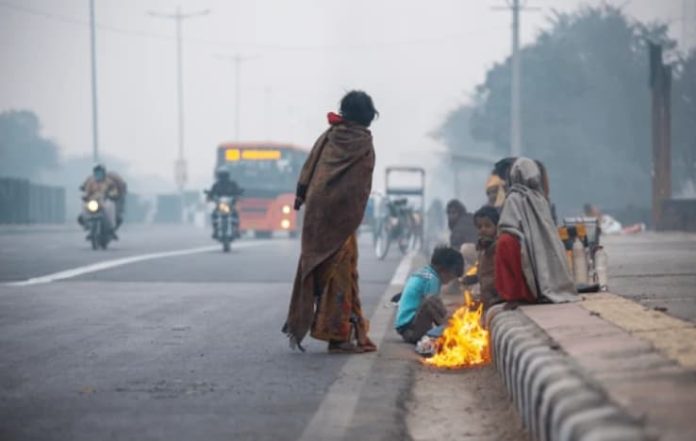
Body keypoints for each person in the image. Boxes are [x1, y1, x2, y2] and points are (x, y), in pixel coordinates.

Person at [282, 90, 378, 354]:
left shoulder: (329, 136)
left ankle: (337, 331)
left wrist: (302, 195)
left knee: (320, 268)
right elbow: (359, 185)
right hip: (341, 218)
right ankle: (338, 337)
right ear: (368, 115)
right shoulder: (363, 142)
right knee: (341, 275)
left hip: (316, 213)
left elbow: (309, 169)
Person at [495, 158, 577, 304]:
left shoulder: (513, 197)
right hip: (538, 251)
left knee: (505, 242)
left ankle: (515, 294)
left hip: (522, 251)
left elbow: (507, 226)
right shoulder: (540, 199)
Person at [394, 246, 464, 344]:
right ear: (443, 270)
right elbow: (433, 306)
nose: (450, 281)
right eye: (452, 276)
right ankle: (450, 331)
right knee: (432, 302)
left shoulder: (424, 272)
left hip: (405, 327)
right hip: (411, 330)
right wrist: (448, 325)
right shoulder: (432, 279)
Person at [473, 206, 501, 309]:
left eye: (487, 226)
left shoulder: (499, 247)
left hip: (497, 298)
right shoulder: (483, 249)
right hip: (486, 297)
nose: (483, 229)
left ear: (497, 227)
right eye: (480, 227)